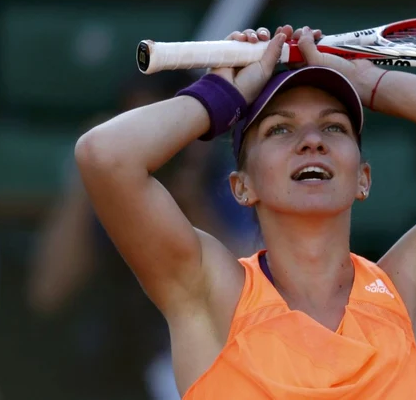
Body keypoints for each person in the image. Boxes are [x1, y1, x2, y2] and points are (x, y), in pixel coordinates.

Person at [75, 24, 416, 399]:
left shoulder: (408, 290)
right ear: (242, 186)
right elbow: (105, 156)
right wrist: (222, 95)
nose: (312, 140)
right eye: (280, 130)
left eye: (335, 126)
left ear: (363, 177)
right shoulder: (208, 292)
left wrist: (368, 82)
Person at [28, 71, 252, 400]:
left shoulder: (227, 180)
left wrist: (190, 198)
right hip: (120, 367)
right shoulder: (112, 186)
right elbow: (47, 292)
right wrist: (89, 178)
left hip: (213, 362)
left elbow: (255, 294)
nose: (154, 155)